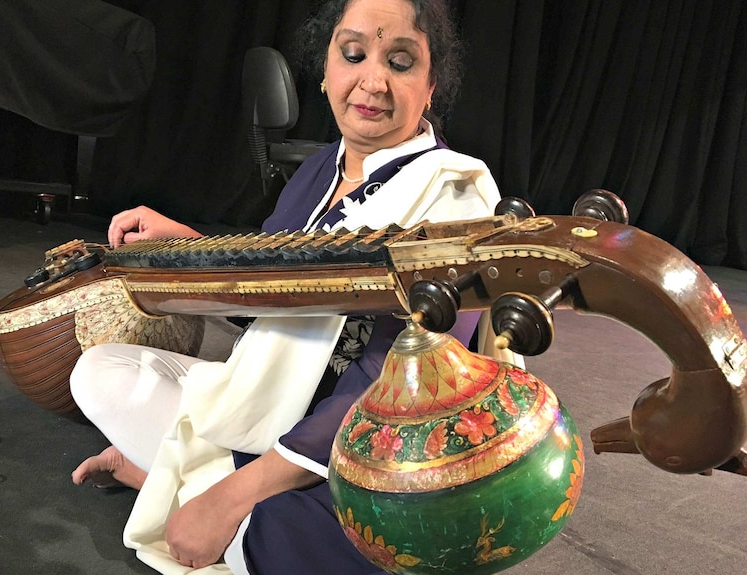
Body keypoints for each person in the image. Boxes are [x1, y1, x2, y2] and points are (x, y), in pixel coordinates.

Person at [69, 0, 509, 573]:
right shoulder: (319, 169)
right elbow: (265, 300)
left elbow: (400, 389)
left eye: (400, 62)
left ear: (430, 87)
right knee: (101, 372)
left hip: (363, 447)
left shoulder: (455, 193)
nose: (372, 80)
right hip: (263, 406)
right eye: (354, 54)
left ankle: (183, 488)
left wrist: (233, 495)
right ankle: (193, 490)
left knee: (319, 543)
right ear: (326, 71)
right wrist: (186, 240)